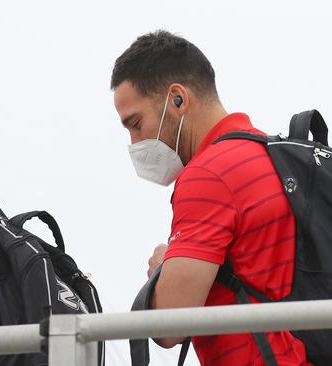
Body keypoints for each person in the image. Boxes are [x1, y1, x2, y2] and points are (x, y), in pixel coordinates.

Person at [111, 30, 311, 365]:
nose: (134, 142)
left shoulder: (210, 175)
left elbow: (169, 325)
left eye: (135, 123)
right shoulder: (272, 154)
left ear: (178, 99)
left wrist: (164, 267)